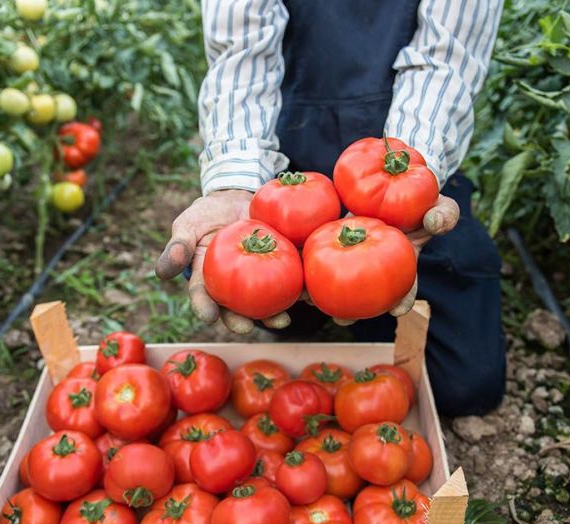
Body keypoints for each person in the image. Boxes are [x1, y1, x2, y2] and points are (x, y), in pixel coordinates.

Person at [156, 0, 506, 417]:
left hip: (393, 158)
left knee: (465, 383)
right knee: (282, 310)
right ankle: (320, 305)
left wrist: (406, 175)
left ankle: (353, 306)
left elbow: (444, 61)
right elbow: (241, 52)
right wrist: (235, 184)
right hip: (282, 166)